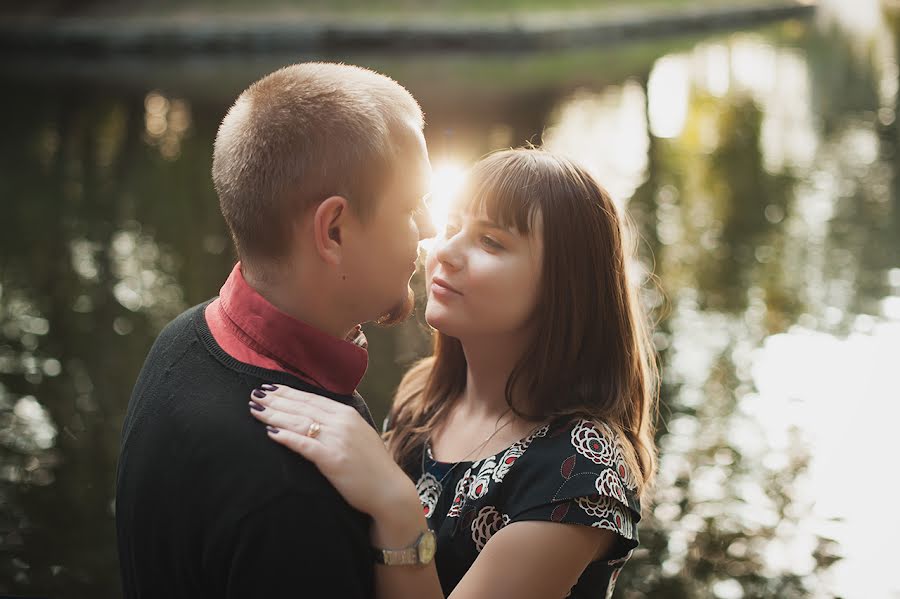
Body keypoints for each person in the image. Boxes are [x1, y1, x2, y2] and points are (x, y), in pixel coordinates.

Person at [245, 148, 660, 598]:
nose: (444, 251)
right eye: (450, 227)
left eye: (491, 242)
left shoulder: (583, 470)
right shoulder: (424, 396)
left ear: (565, 288)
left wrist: (394, 502)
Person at [115, 62, 434, 598]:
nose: (427, 229)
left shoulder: (182, 337)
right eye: (410, 207)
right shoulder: (298, 493)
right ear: (332, 230)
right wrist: (405, 518)